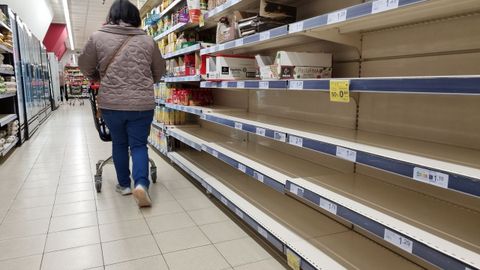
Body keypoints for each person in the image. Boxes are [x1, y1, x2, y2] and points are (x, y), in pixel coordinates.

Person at [79, 0, 165, 207]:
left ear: (111, 16)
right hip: (141, 105)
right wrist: (144, 83)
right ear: (135, 18)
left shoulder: (97, 37)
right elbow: (159, 70)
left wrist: (96, 78)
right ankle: (142, 185)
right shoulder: (148, 41)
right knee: (138, 145)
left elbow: (84, 65)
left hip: (112, 104)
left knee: (119, 143)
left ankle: (124, 185)